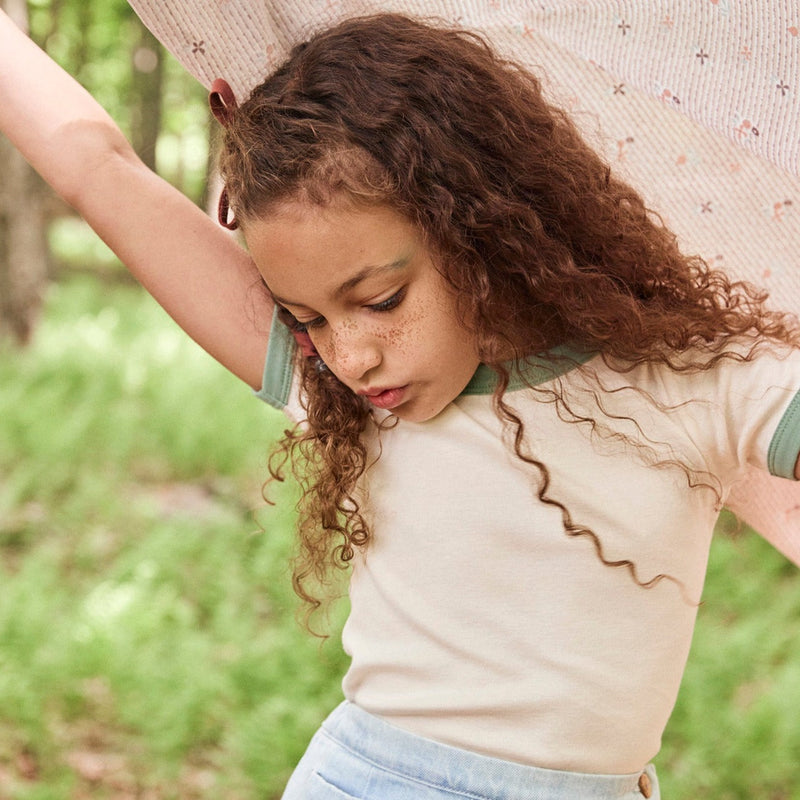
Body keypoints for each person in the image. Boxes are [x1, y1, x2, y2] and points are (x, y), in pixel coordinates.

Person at [2, 8, 799, 799]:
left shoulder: (689, 377)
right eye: (307, 317)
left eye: (380, 299)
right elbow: (98, 168)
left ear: (482, 226)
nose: (349, 357)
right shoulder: (339, 392)